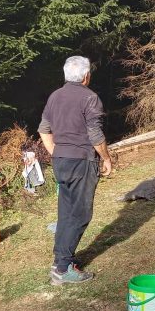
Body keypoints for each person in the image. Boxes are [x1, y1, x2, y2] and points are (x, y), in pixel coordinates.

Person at [39, 56, 112, 285]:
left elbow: (44, 129)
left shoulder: (54, 96)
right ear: (86, 76)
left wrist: (56, 152)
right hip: (81, 162)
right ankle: (63, 268)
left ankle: (60, 260)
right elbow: (95, 135)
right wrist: (107, 159)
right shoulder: (90, 98)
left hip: (60, 161)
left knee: (66, 212)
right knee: (80, 214)